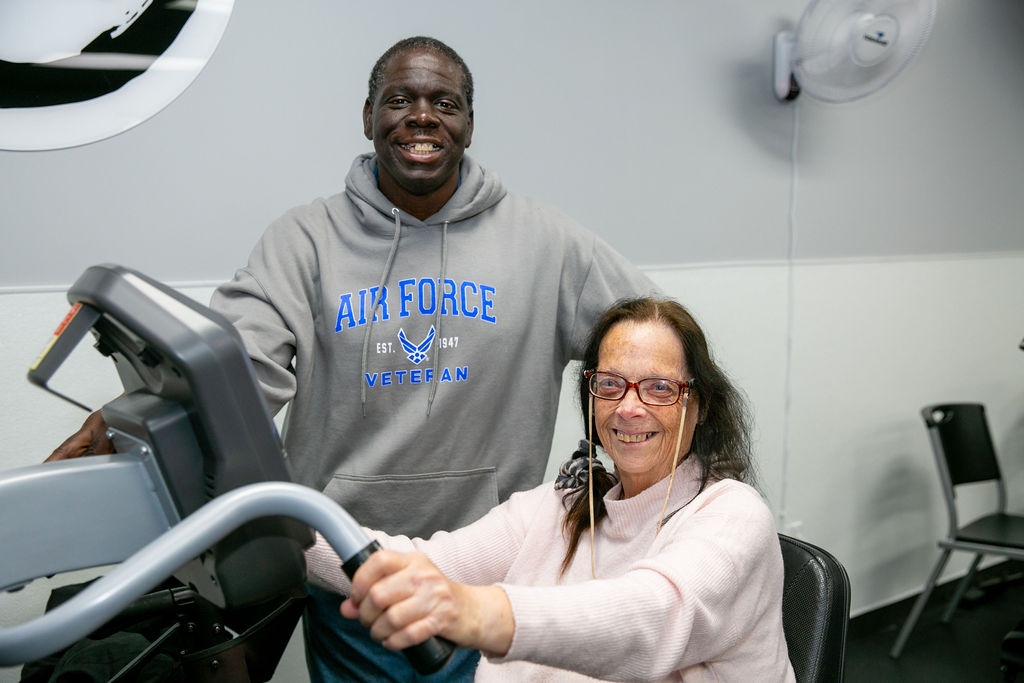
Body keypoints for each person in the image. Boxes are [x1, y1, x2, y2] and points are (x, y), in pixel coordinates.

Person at [47, 36, 657, 681]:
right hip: (350, 570)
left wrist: (643, 486)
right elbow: (230, 373)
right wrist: (124, 420)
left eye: (444, 102)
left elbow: (653, 346)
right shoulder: (303, 241)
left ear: (469, 125)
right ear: (367, 117)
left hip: (490, 573)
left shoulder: (548, 243)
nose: (422, 116)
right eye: (399, 99)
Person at [306, 296, 795, 681]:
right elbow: (424, 565)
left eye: (659, 388)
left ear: (701, 404)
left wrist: (477, 610)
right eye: (610, 384)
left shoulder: (733, 514)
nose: (629, 407)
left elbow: (650, 619)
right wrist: (288, 528)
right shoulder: (562, 504)